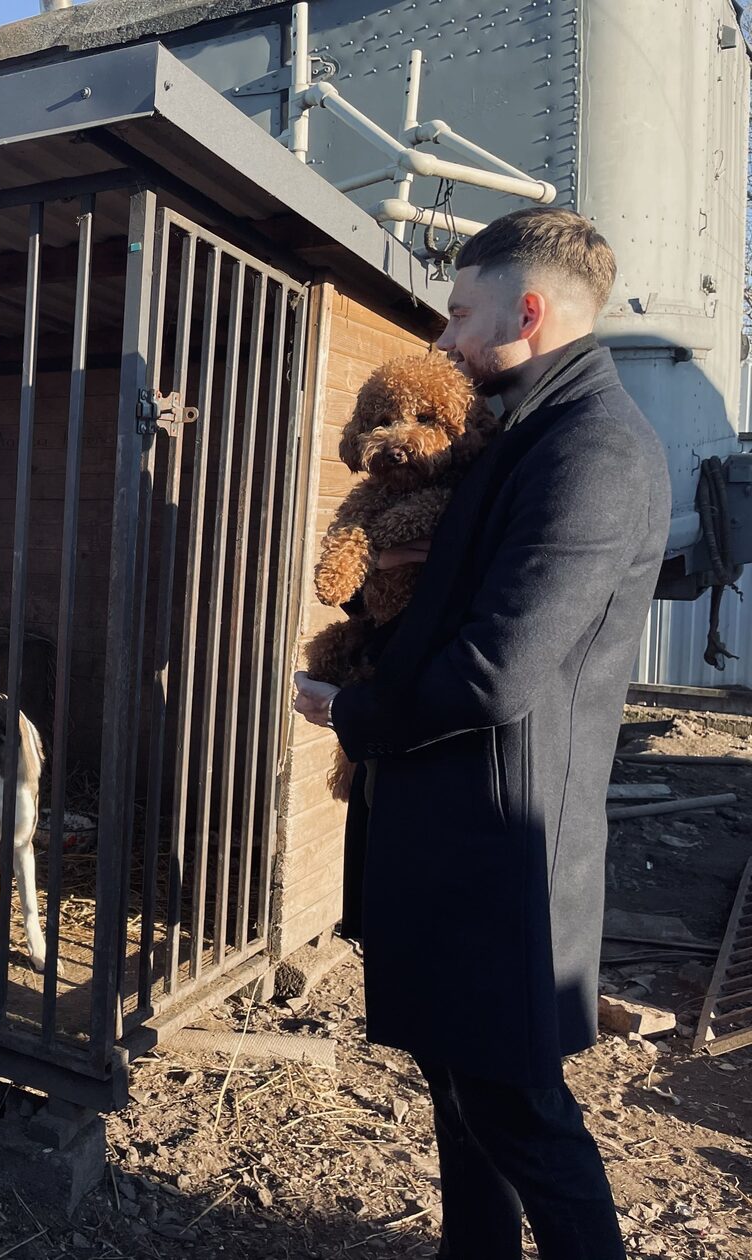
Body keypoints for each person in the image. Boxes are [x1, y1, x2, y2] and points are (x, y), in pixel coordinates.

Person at [293, 208, 669, 1260]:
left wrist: (348, 710)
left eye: (461, 314)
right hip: (454, 836)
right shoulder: (519, 437)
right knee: (462, 1098)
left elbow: (499, 673)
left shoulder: (591, 450)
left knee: (517, 1113)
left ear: (531, 311)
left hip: (503, 854)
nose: (446, 341)